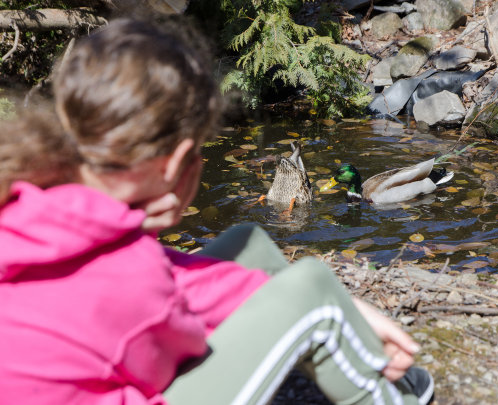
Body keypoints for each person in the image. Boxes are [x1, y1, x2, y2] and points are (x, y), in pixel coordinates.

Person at [0, 18, 434, 405]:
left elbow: (168, 275)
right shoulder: (130, 274)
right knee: (313, 289)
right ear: (179, 163)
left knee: (247, 243)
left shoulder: (27, 201)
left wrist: (340, 304)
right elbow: (180, 332)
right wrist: (328, 305)